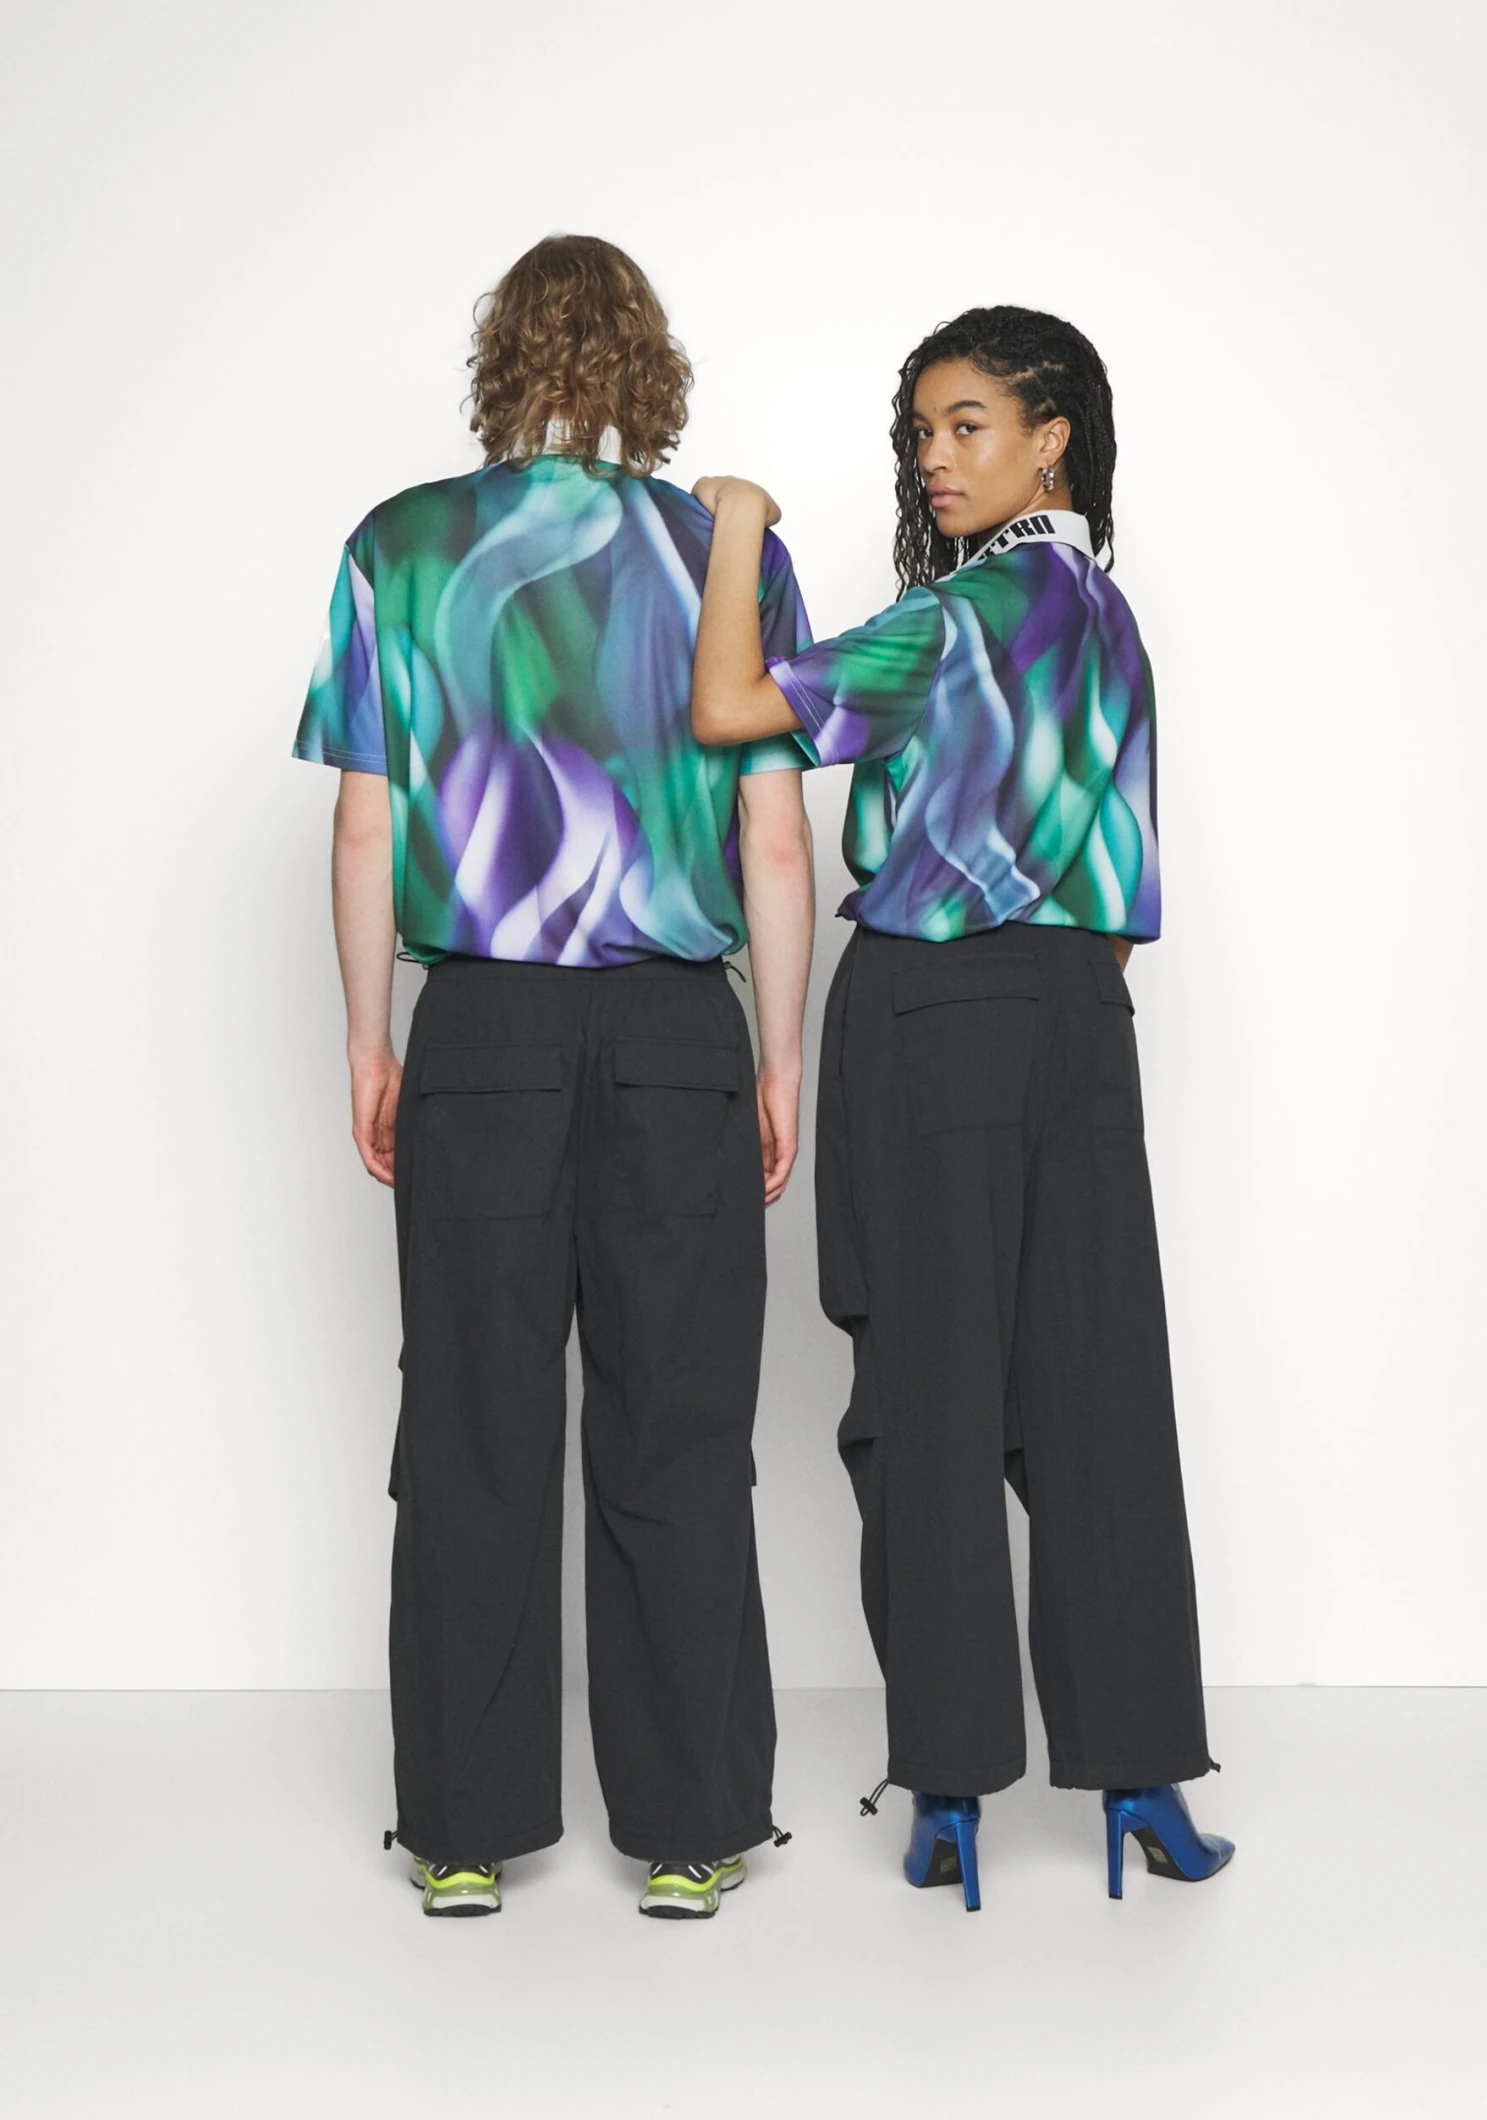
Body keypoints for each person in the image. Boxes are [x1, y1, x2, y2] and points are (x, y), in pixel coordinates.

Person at [294, 235, 815, 1921]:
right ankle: (692, 1826)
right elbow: (774, 834)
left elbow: (364, 824)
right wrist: (780, 1052)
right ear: (650, 370)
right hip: (675, 1035)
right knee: (684, 1426)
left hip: (484, 1036)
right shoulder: (725, 557)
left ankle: (460, 1830)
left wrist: (370, 1037)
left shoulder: (397, 547)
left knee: (470, 1428)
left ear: (499, 359)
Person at [688, 305, 1233, 1909]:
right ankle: (1142, 1775)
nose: (934, 458)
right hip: (1082, 1017)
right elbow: (1109, 863)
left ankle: (947, 1783)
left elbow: (729, 706)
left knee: (928, 1391)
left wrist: (739, 526)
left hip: (933, 1015)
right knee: (1101, 1393)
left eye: (968, 424)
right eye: (922, 431)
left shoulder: (954, 620)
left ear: (1052, 438)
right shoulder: (1112, 623)